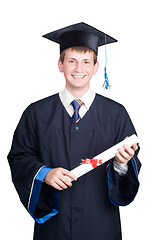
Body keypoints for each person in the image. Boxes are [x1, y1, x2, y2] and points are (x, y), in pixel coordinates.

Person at [8, 22, 141, 240]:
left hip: (100, 225)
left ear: (96, 67)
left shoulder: (116, 114)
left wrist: (121, 164)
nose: (79, 69)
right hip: (54, 227)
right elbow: (19, 157)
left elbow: (132, 166)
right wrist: (45, 173)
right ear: (60, 65)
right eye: (72, 61)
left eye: (86, 62)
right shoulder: (36, 113)